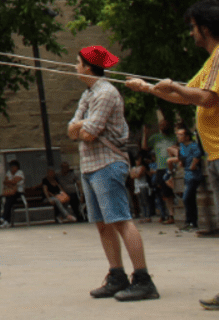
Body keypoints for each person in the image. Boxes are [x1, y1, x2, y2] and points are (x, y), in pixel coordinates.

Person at [127, 0, 219, 307]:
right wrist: (149, 88)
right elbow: (186, 96)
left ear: (205, 28)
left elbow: (205, 99)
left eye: (193, 28)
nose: (191, 34)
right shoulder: (210, 62)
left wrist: (176, 88)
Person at [69, 45, 158, 301]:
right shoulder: (88, 94)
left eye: (77, 62)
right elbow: (71, 128)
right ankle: (116, 274)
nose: (75, 67)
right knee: (102, 225)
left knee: (120, 219)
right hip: (90, 165)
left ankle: (142, 278)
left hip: (107, 164)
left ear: (88, 66)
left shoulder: (106, 93)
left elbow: (88, 132)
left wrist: (81, 126)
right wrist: (80, 126)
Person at [142, 116, 177, 224]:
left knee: (177, 190)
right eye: (162, 125)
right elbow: (145, 147)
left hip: (174, 167)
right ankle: (171, 215)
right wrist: (145, 133)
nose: (164, 126)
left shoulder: (174, 137)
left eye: (166, 124)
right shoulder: (155, 137)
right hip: (161, 168)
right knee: (166, 194)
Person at [170, 125, 203, 231]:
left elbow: (198, 155)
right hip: (187, 175)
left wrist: (193, 164)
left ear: (187, 136)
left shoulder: (193, 145)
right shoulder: (182, 147)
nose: (178, 136)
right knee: (190, 199)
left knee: (187, 198)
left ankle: (190, 221)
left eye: (181, 134)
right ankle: (192, 222)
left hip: (194, 175)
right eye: (178, 134)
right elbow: (182, 159)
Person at [0, 161, 24, 228]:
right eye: (11, 167)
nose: (12, 168)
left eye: (13, 167)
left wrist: (10, 182)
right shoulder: (9, 173)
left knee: (8, 201)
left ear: (17, 167)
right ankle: (6, 221)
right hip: (11, 193)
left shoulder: (20, 173)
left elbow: (14, 181)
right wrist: (11, 183)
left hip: (18, 193)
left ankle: (4, 217)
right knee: (8, 202)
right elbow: (4, 182)